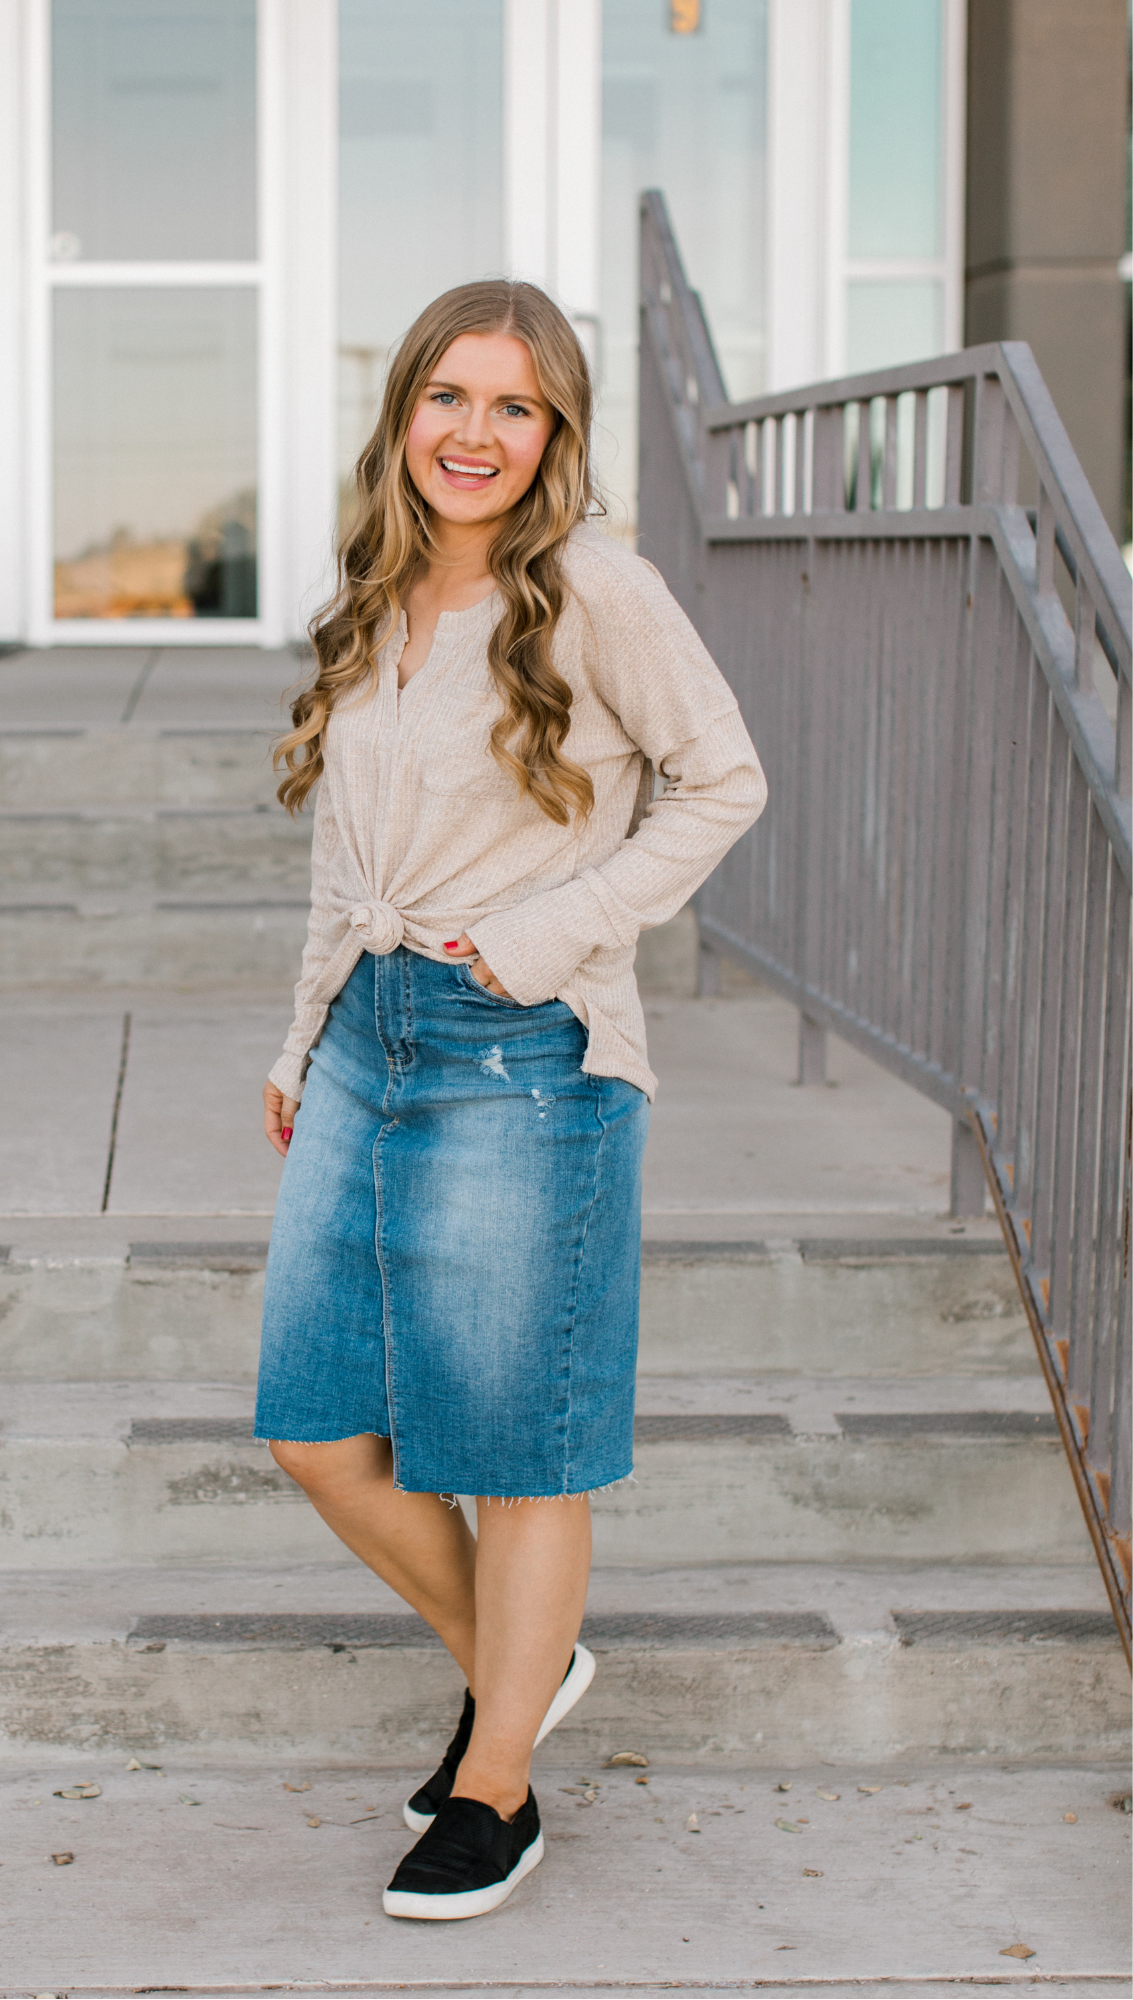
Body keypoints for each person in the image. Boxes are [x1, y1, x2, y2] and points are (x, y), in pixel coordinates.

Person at [257, 279, 766, 1922]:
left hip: (519, 1049)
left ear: (555, 435)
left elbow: (724, 781)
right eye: (448, 398)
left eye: (515, 406)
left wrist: (548, 936)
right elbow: (350, 862)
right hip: (364, 1044)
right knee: (321, 1433)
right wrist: (298, 1038)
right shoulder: (378, 591)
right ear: (403, 413)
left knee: (518, 1457)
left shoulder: (594, 590)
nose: (474, 434)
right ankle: (522, 1670)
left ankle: (497, 1785)